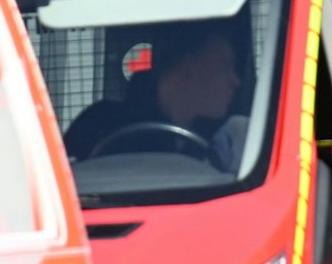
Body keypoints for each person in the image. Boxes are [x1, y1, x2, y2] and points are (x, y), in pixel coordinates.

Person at [64, 25, 245, 169]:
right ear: (187, 71)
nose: (236, 81)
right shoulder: (97, 126)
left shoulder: (226, 141)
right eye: (225, 68)